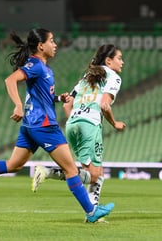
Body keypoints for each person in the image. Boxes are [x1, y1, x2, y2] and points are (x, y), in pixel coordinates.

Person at [0, 28, 114, 222]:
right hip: (44, 126)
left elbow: (39, 95)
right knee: (72, 170)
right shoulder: (36, 65)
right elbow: (10, 80)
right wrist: (18, 105)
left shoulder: (45, 69)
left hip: (31, 126)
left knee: (13, 165)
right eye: (52, 41)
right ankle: (91, 212)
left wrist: (57, 98)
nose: (55, 45)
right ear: (40, 45)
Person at [32, 44, 126, 210]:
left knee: (96, 172)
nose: (122, 62)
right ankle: (48, 172)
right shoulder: (113, 77)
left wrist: (77, 120)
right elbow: (105, 105)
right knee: (95, 176)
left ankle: (93, 211)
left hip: (72, 124)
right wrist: (115, 123)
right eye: (119, 58)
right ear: (109, 61)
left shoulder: (87, 77)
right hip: (90, 125)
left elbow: (67, 105)